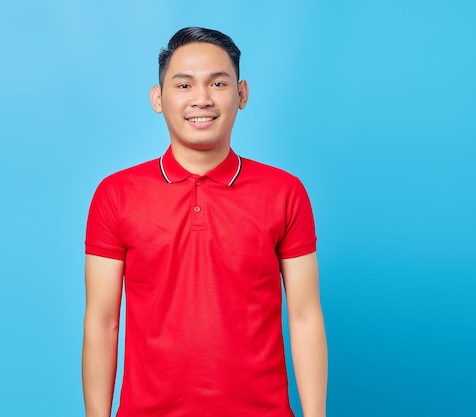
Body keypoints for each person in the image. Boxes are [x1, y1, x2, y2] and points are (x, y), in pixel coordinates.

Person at [83, 27, 327, 417]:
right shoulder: (116, 194)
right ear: (158, 99)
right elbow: (103, 320)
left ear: (242, 94)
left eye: (217, 83)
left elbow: (304, 314)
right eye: (183, 85)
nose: (201, 99)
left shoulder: (284, 192)